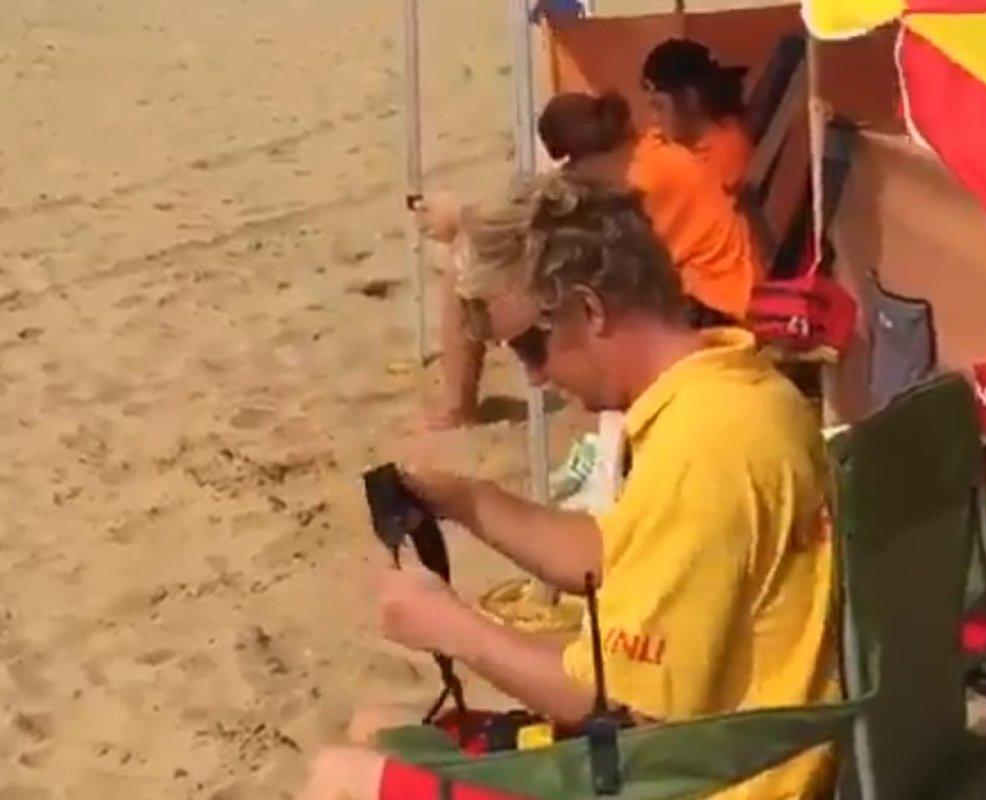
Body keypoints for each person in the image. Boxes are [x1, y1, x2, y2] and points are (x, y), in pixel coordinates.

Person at [298, 173, 838, 800]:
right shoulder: (734, 391)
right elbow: (612, 555)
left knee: (340, 782)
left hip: (709, 781)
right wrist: (467, 500)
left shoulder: (706, 448)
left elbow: (603, 697)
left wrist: (449, 626)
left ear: (589, 309)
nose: (532, 375)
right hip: (724, 750)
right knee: (373, 730)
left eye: (531, 345)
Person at [420, 92, 758, 428]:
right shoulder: (653, 153)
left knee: (465, 267)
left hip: (718, 307)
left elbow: (558, 224)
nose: (568, 175)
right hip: (714, 293)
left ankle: (458, 407)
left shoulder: (638, 180)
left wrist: (462, 224)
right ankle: (458, 405)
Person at [640, 38, 755, 196]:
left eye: (659, 107)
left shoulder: (726, 150)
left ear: (690, 98)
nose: (655, 119)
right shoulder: (686, 141)